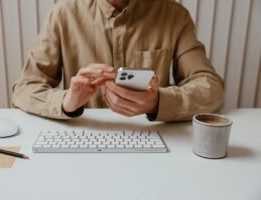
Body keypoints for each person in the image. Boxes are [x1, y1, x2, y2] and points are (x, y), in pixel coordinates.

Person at [12, 0, 224, 122]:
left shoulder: (174, 15)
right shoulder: (62, 14)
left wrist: (159, 101)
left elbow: (211, 88)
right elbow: (24, 88)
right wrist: (66, 102)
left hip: (155, 142)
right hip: (83, 140)